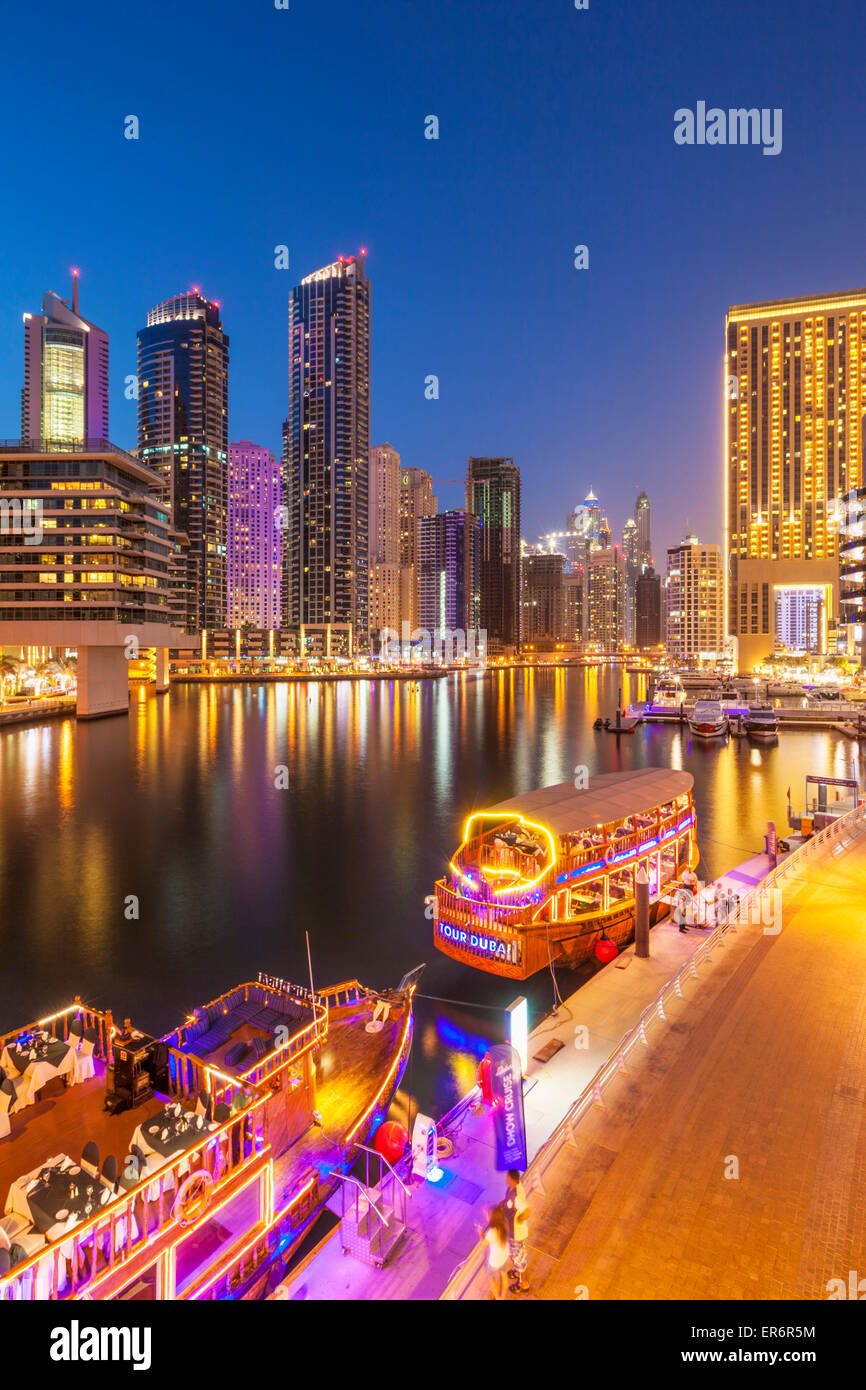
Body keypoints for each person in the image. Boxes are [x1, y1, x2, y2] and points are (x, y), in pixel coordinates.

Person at [504, 1170, 530, 1292]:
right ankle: (517, 1272)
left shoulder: (518, 1196)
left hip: (517, 1234)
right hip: (513, 1232)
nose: (505, 1179)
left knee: (519, 1259)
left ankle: (523, 1283)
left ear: (511, 1179)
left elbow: (527, 1211)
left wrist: (519, 1219)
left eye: (507, 1177)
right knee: (516, 1256)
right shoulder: (512, 1188)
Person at [476, 1204, 510, 1300]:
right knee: (504, 1277)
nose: (487, 1217)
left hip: (495, 1261)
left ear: (493, 1219)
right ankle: (502, 1297)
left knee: (491, 1278)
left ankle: (497, 1297)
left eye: (489, 1215)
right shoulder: (504, 1223)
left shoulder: (492, 1231)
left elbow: (483, 1243)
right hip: (505, 1255)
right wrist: (486, 1211)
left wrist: (480, 1232)